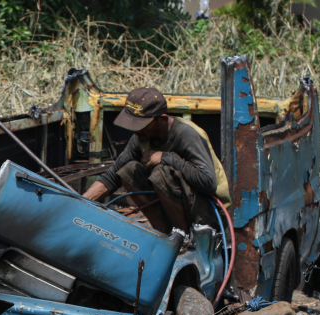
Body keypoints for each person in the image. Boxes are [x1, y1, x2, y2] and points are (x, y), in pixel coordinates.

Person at [82, 87, 231, 234]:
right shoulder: (141, 136)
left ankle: (183, 239)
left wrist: (167, 157)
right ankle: (163, 233)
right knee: (128, 171)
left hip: (210, 213)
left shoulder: (186, 134)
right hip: (179, 209)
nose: (136, 131)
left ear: (162, 119)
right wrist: (80, 203)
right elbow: (113, 175)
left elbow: (208, 182)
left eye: (141, 125)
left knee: (161, 172)